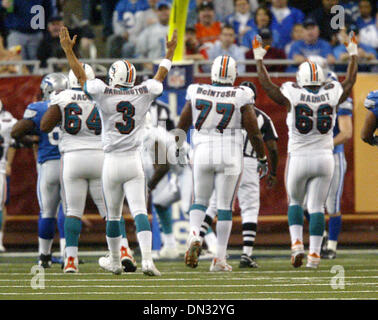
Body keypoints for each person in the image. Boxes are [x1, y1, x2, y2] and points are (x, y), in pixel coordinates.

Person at [59, 26, 177, 275]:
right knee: (139, 211)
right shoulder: (143, 92)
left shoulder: (102, 92)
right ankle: (147, 260)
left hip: (111, 161)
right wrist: (169, 54)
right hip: (134, 161)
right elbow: (159, 77)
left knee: (113, 216)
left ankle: (114, 260)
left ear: (112, 76)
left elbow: (81, 79)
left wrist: (69, 52)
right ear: (132, 77)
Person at [254, 30, 358, 269]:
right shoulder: (331, 92)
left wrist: (259, 59)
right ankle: (314, 256)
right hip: (325, 157)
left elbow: (267, 86)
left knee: (295, 203)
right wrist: (352, 54)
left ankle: (297, 245)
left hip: (299, 157)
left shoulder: (293, 92)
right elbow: (350, 81)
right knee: (318, 207)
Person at [40, 65, 136, 273]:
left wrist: (63, 118)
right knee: (111, 211)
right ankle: (125, 251)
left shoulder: (63, 96)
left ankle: (71, 261)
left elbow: (45, 126)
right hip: (100, 157)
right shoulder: (102, 94)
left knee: (73, 211)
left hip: (73, 158)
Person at [175, 54, 268, 271]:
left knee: (200, 200)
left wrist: (178, 147)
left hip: (202, 151)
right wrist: (262, 157)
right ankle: (219, 259)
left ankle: (194, 234)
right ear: (234, 73)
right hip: (230, 153)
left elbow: (183, 122)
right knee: (225, 206)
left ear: (212, 72)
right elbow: (254, 132)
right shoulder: (241, 94)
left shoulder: (196, 90)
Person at [199, 81, 279, 268]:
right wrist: (271, 170)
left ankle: (198, 236)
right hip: (250, 162)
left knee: (215, 204)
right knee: (249, 208)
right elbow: (273, 148)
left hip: (228, 159)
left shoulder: (225, 110)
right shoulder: (263, 117)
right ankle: (246, 253)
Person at [11, 73, 68, 268]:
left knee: (47, 212)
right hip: (70, 164)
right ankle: (69, 256)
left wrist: (33, 138)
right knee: (70, 211)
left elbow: (16, 132)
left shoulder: (38, 108)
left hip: (48, 164)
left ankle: (44, 256)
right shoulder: (74, 106)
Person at [0, 99, 17, 252]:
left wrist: (8, 163)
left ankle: (0, 238)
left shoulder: (8, 119)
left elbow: (12, 143)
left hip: (1, 166)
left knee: (1, 204)